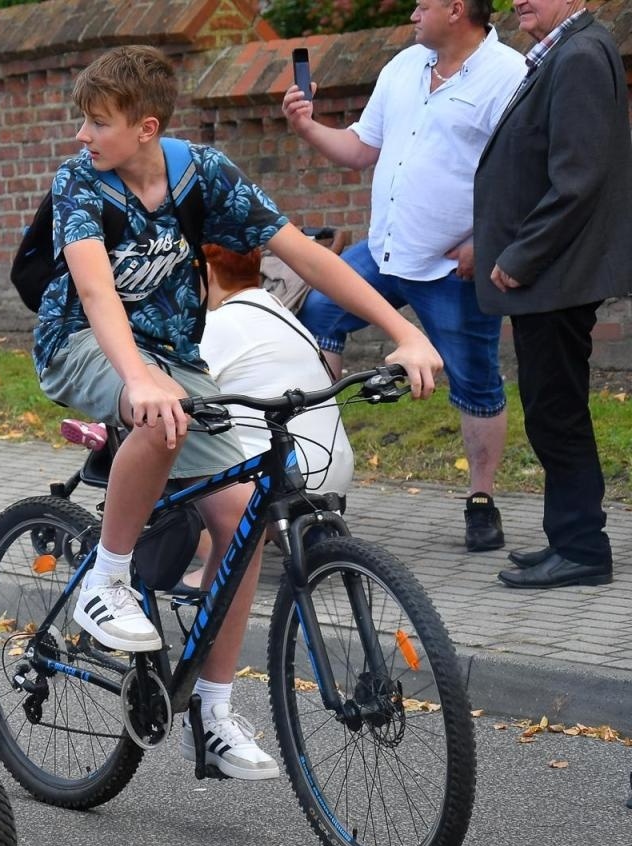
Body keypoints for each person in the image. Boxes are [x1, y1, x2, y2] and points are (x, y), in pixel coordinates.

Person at [34, 46, 441, 780]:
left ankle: (214, 716)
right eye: (84, 122)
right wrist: (139, 378)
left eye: (98, 123)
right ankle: (106, 581)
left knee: (244, 516)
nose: (83, 136)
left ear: (146, 127)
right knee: (159, 413)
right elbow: (96, 293)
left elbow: (311, 260)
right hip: (82, 345)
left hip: (174, 357)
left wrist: (406, 331)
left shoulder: (203, 174)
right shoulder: (79, 183)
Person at [282, 0, 523, 553]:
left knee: (475, 380)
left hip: (451, 265)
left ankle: (481, 501)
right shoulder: (402, 67)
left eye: (424, 4)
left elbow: (521, 172)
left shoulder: (507, 75)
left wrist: (486, 243)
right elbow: (363, 150)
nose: (414, 12)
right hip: (385, 251)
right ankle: (319, 476)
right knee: (319, 311)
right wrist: (308, 125)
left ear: (457, 10)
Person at [474, 0, 630, 589]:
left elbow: (578, 176)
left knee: (557, 412)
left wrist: (520, 256)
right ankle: (570, 535)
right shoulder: (566, 52)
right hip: (554, 277)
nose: (518, 0)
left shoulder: (582, 55)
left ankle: (583, 549)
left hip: (557, 277)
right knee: (551, 408)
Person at [199, 244, 354, 496]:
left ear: (207, 272)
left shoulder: (219, 324)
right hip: (333, 471)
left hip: (278, 478)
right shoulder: (280, 312)